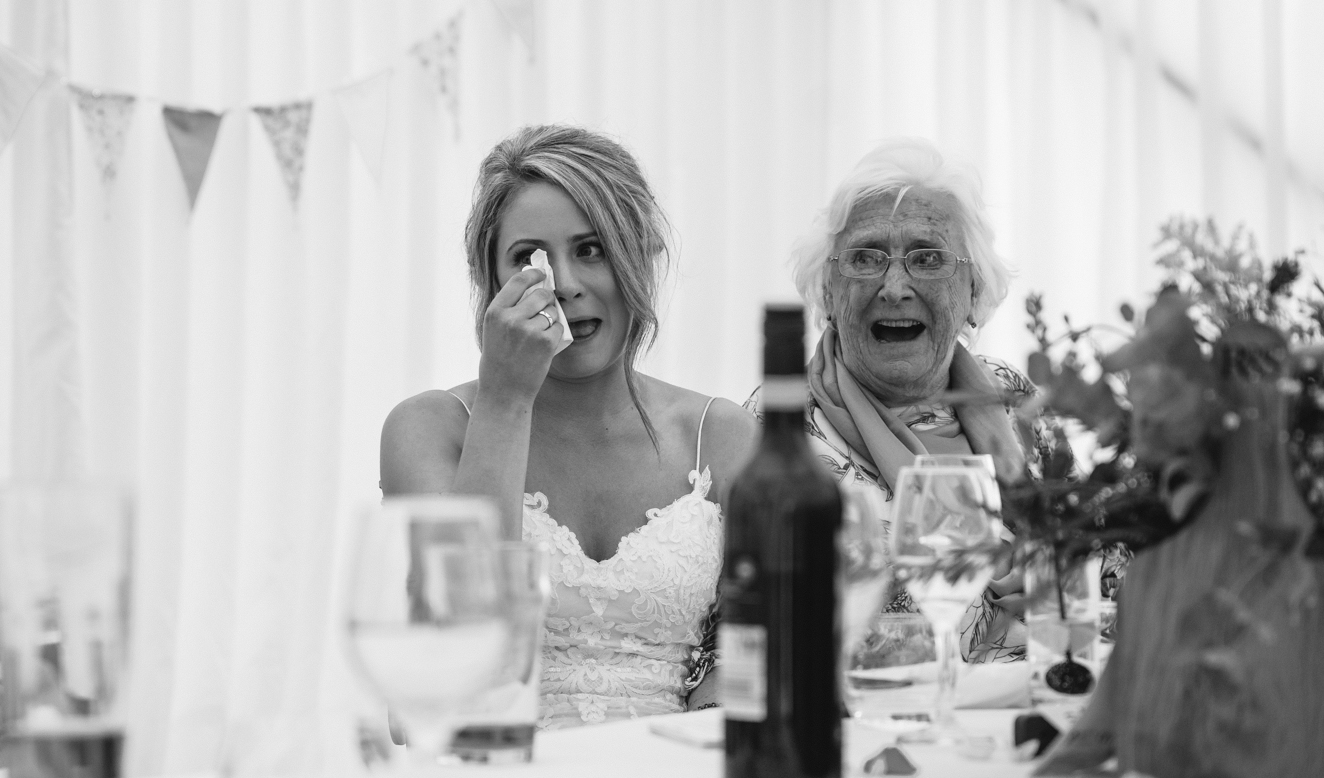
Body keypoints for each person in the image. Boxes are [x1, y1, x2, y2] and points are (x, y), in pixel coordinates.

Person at [380, 125, 757, 727]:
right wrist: (505, 401)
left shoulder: (722, 435)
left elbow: (761, 651)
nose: (566, 286)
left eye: (592, 250)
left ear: (639, 256)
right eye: (529, 260)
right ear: (488, 280)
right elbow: (455, 657)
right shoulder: (429, 429)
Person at [773, 137, 1038, 659]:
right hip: (867, 711)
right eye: (866, 258)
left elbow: (1105, 570)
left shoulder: (1015, 400)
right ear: (828, 291)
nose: (894, 286)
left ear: (973, 291)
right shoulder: (774, 426)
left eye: (928, 258)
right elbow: (742, 620)